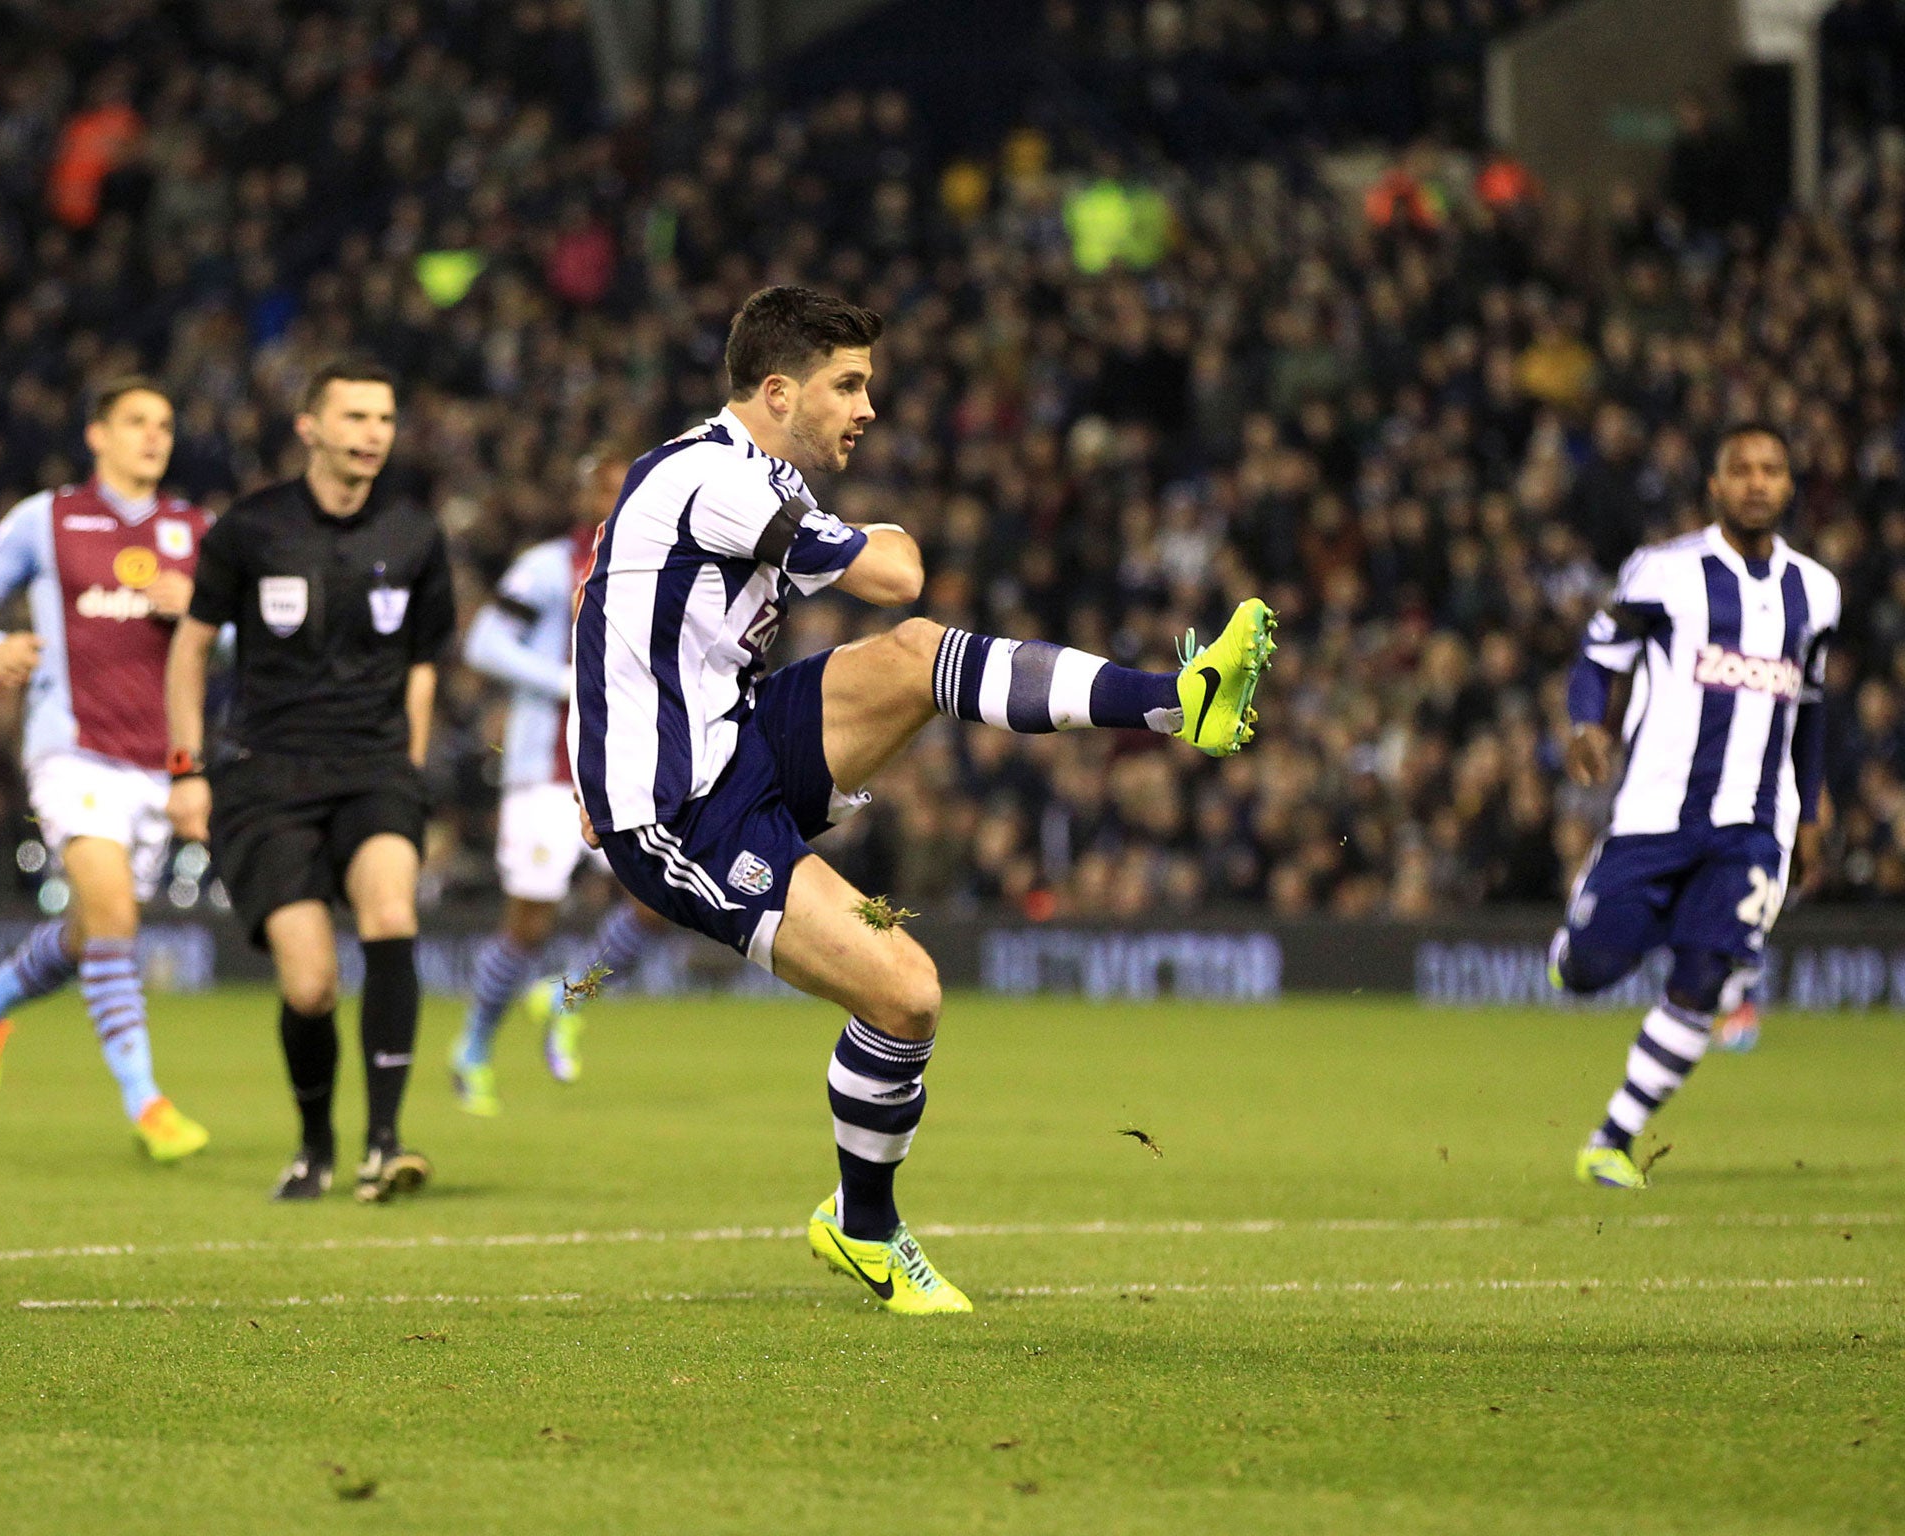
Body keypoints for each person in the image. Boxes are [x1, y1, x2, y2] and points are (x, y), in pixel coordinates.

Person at [571, 286, 1275, 1313]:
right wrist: (607, 772)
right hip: (682, 811)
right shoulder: (716, 483)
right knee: (905, 992)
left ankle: (1179, 701)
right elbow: (894, 569)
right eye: (846, 385)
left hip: (742, 740)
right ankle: (862, 1226)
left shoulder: (730, 476)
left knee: (912, 662)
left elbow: (609, 605)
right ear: (776, 391)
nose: (866, 408)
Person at [164, 358, 455, 1202]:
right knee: (312, 982)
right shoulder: (250, 529)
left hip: (372, 768)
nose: (374, 434)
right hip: (265, 777)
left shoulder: (414, 532)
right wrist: (186, 770)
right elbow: (188, 649)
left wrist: (410, 761)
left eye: (386, 419)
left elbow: (425, 663)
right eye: (357, 417)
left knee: (393, 913)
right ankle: (315, 1143)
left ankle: (386, 1141)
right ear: (310, 428)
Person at [1551, 423, 1838, 1188]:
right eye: (1741, 469)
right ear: (1715, 485)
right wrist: (1585, 723)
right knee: (1591, 971)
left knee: (1705, 977)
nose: (1756, 482)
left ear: (1788, 485)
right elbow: (1597, 653)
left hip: (1754, 827)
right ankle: (1580, 934)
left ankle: (1611, 1138)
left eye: (1771, 469)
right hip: (1654, 816)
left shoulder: (1818, 592)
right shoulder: (1665, 572)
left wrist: (1809, 812)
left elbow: (1809, 710)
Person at [0, 376, 211, 1162]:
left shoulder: (195, 531)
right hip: (71, 747)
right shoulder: (48, 517)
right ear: (98, 434)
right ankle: (148, 1104)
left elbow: (231, 640)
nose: (153, 437)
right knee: (116, 919)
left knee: (96, 930)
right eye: (135, 422)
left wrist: (195, 606)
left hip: (160, 763)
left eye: (163, 424)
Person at [449, 441, 667, 1114]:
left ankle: (568, 995)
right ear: (586, 498)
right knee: (529, 925)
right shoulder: (549, 566)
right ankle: (474, 1049)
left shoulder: (662, 571)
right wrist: (568, 682)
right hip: (546, 773)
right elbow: (483, 642)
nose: (620, 501)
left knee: (663, 903)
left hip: (625, 768)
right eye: (607, 490)